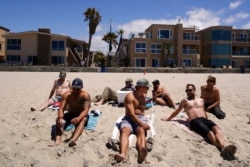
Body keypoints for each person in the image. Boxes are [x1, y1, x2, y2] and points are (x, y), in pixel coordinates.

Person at [161, 84, 237, 158]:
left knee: (217, 129)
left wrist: (207, 120)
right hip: (195, 121)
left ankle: (223, 145)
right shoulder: (185, 101)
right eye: (186, 90)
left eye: (190, 90)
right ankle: (222, 148)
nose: (188, 92)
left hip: (205, 119)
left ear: (194, 90)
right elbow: (177, 111)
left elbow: (203, 111)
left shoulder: (201, 100)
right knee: (210, 133)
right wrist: (168, 119)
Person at [114, 78, 151, 164]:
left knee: (141, 131)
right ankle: (122, 154)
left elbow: (143, 109)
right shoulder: (130, 96)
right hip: (129, 118)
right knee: (124, 130)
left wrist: (142, 123)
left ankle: (142, 150)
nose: (148, 89)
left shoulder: (144, 95)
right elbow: (131, 114)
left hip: (141, 117)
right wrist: (142, 124)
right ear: (142, 87)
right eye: (147, 87)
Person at [49, 78, 91, 147]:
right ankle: (57, 140)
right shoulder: (67, 95)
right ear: (71, 87)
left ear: (82, 87)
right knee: (58, 120)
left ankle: (73, 139)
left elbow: (86, 110)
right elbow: (61, 108)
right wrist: (60, 117)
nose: (75, 91)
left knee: (84, 119)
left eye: (78, 89)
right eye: (74, 89)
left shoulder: (85, 95)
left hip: (80, 115)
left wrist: (78, 118)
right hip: (70, 114)